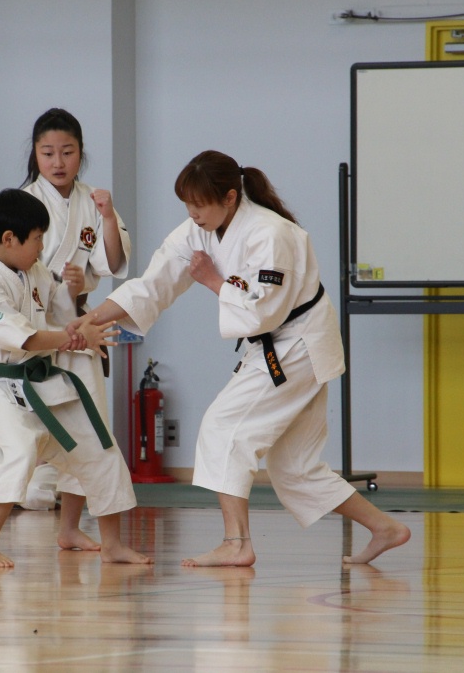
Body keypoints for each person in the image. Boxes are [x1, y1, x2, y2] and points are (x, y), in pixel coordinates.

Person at [77, 150, 411, 567]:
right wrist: (89, 318)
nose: (192, 213)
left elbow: (263, 311)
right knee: (294, 469)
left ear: (230, 197)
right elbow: (152, 286)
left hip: (297, 344)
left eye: (200, 204)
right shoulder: (198, 231)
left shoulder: (272, 233)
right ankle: (385, 527)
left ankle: (237, 543)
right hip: (280, 346)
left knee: (224, 428)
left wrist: (213, 281)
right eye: (187, 204)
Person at [0, 188, 150, 567]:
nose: (42, 247)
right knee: (17, 451)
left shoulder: (31, 270)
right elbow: (26, 338)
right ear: (9, 239)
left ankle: (112, 544)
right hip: (3, 388)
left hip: (45, 380)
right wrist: (76, 338)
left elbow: (56, 307)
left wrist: (73, 298)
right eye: (37, 238)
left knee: (101, 448)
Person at [18, 107, 132, 548]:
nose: (58, 161)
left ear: (81, 153)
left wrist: (108, 218)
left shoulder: (93, 201)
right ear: (35, 154)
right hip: (34, 333)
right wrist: (53, 283)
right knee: (22, 432)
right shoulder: (23, 202)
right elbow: (11, 267)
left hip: (79, 329)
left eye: (67, 152)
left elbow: (114, 262)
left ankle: (69, 528)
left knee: (90, 430)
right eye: (48, 152)